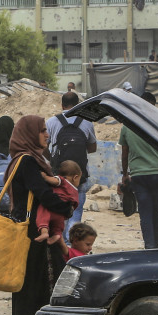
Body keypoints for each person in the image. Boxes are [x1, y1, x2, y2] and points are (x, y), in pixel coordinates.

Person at [4, 115, 74, 315]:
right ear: (29, 134)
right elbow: (43, 194)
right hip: (34, 236)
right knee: (36, 290)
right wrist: (66, 208)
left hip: (29, 233)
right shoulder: (27, 162)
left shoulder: (23, 160)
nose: (47, 135)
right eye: (42, 131)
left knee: (28, 291)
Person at [119, 92, 158, 250]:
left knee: (145, 213)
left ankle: (150, 247)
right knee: (157, 213)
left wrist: (125, 174)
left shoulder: (127, 126)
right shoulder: (157, 125)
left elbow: (124, 154)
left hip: (139, 176)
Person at [46, 92, 97, 240]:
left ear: (62, 105)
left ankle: (58, 240)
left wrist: (52, 159)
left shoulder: (51, 122)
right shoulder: (87, 122)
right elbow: (93, 148)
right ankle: (71, 242)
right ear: (78, 105)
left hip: (59, 174)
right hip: (79, 174)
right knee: (77, 209)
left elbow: (43, 146)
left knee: (59, 209)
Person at [35, 161, 81, 244]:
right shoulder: (75, 190)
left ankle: (44, 232)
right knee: (58, 226)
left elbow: (55, 181)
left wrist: (45, 177)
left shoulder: (62, 180)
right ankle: (57, 235)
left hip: (51, 209)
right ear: (75, 177)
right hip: (62, 214)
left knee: (42, 214)